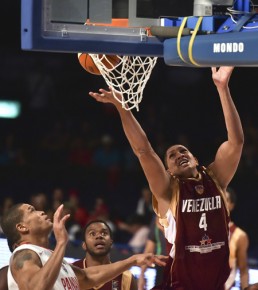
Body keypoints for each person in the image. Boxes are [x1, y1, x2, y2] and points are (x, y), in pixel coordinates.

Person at [89, 66, 244, 290]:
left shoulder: (216, 179)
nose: (179, 155)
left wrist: (223, 88)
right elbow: (144, 151)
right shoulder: (167, 190)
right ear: (168, 170)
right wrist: (123, 108)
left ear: (194, 158)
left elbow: (236, 142)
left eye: (183, 151)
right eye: (171, 156)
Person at [0, 203, 167, 290]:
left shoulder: (52, 259)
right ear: (22, 227)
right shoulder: (23, 254)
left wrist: (132, 260)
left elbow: (87, 278)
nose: (41, 212)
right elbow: (36, 288)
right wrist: (61, 243)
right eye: (32, 210)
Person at [73, 219, 138, 290]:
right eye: (92, 234)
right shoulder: (72, 271)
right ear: (84, 245)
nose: (99, 236)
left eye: (104, 233)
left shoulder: (126, 277)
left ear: (111, 243)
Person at [225, 187, 249, 290]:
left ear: (231, 205)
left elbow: (243, 270)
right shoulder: (200, 230)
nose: (220, 203)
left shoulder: (239, 236)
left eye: (225, 200)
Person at [138, 216, 171, 290]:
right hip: (161, 267)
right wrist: (141, 276)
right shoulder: (156, 219)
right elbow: (149, 249)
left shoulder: (179, 217)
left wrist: (163, 230)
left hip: (177, 266)